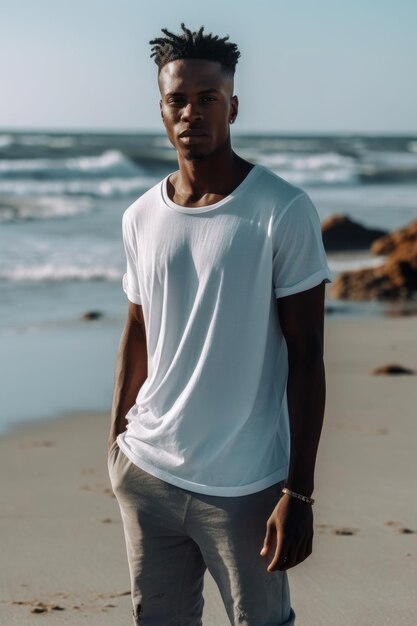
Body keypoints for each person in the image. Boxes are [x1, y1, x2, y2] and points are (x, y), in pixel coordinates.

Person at [107, 23, 333, 626]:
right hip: (147, 472)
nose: (192, 112)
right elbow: (138, 331)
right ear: (161, 109)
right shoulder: (139, 216)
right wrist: (116, 445)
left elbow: (307, 356)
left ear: (233, 105)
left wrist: (299, 492)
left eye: (208, 98)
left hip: (246, 486)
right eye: (178, 99)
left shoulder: (281, 209)